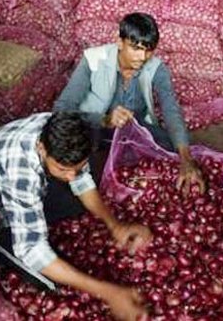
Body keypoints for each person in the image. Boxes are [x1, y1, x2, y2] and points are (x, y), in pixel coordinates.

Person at [0, 112, 152, 321]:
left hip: (29, 186)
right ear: (42, 149)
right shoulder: (21, 170)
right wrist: (109, 293)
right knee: (46, 281)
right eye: (63, 168)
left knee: (77, 201)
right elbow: (31, 249)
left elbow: (81, 180)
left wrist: (115, 225)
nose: (71, 175)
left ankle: (42, 215)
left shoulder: (66, 133)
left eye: (76, 168)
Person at [54, 12, 206, 193]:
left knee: (174, 149)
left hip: (136, 130)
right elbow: (62, 109)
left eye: (148, 50)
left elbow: (171, 110)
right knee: (79, 173)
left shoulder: (157, 68)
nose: (142, 57)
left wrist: (186, 159)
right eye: (135, 48)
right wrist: (104, 120)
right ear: (119, 42)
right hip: (93, 129)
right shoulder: (93, 60)